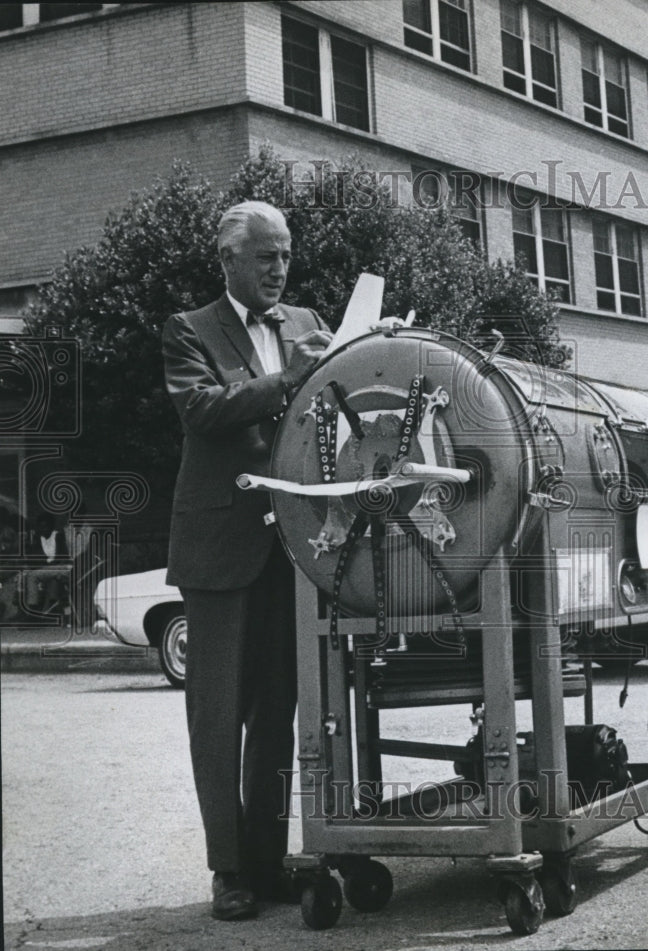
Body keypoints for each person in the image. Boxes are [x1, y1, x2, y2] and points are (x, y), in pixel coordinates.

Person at [162, 200, 333, 921]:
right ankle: (227, 868)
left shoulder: (303, 324)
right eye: (265, 255)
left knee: (279, 710)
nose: (279, 267)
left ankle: (267, 860)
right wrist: (286, 381)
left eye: (286, 254)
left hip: (289, 546)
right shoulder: (187, 329)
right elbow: (202, 410)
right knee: (218, 715)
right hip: (218, 549)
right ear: (229, 260)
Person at [24, 513, 70, 616]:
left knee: (31, 576)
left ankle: (32, 608)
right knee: (52, 580)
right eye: (40, 527)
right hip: (49, 570)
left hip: (62, 567)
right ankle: (51, 609)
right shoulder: (37, 539)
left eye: (45, 526)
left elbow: (63, 557)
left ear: (51, 526)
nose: (43, 529)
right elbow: (32, 559)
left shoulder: (58, 536)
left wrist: (46, 562)